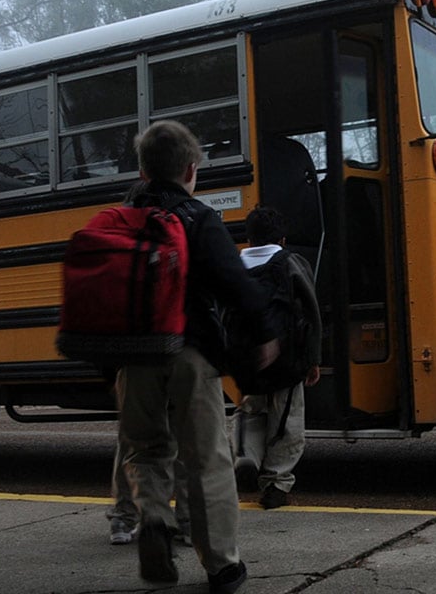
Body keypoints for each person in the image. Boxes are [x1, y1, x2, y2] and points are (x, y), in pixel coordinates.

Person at [117, 120, 277, 594]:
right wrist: (265, 334)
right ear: (191, 170)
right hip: (189, 352)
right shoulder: (198, 218)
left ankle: (151, 518)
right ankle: (222, 565)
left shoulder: (120, 221)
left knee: (145, 450)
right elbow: (236, 284)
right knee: (207, 459)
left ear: (144, 171)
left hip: (133, 358)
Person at [233, 206, 322, 509]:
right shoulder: (291, 263)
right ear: (282, 239)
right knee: (286, 420)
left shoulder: (234, 266)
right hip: (287, 360)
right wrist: (312, 359)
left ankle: (246, 455)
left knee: (251, 411)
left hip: (249, 362)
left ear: (249, 237)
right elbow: (311, 312)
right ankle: (276, 484)